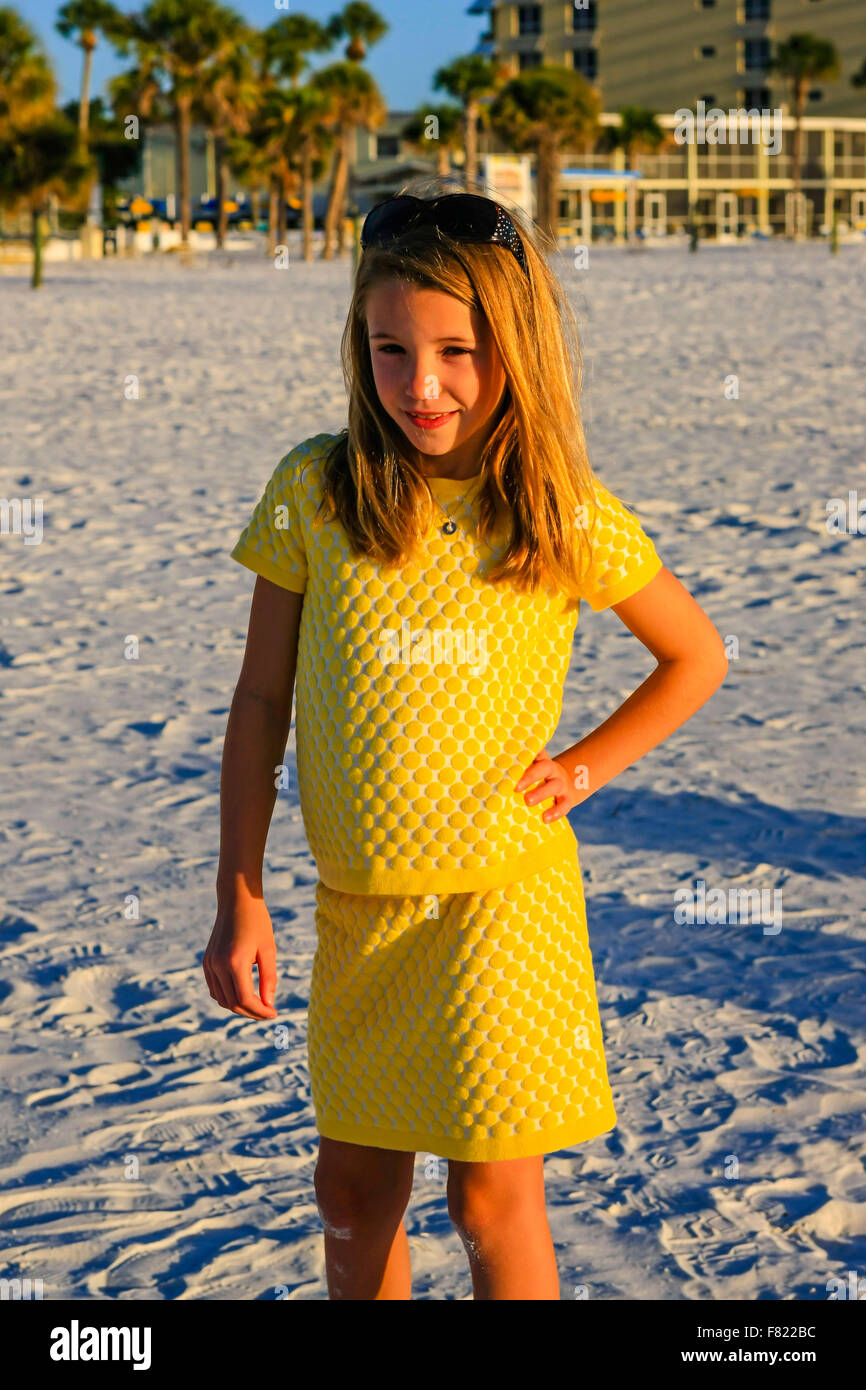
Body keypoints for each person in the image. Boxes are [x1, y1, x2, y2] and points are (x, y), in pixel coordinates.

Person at [203, 176, 728, 1300]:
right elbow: (259, 703)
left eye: (456, 349)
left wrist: (584, 766)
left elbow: (693, 655)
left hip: (502, 905)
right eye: (389, 349)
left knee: (488, 1199)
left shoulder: (556, 507)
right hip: (359, 908)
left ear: (514, 349)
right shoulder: (316, 489)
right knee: (349, 1193)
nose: (421, 384)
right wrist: (238, 888)